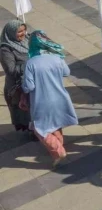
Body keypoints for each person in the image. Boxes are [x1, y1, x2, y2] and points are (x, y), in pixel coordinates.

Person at [22, 31, 78, 167]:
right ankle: (59, 147)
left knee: (40, 129)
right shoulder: (56, 58)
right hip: (60, 98)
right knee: (56, 125)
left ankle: (59, 152)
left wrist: (22, 87)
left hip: (41, 101)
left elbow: (29, 86)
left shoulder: (31, 63)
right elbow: (67, 72)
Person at [0, 20, 31, 135]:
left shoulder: (27, 40)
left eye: (24, 30)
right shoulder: (6, 49)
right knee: (25, 112)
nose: (23, 33)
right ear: (11, 33)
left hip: (31, 82)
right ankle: (32, 132)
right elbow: (11, 70)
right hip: (18, 87)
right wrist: (31, 64)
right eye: (19, 32)